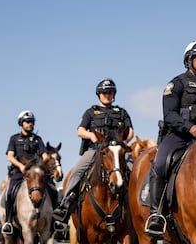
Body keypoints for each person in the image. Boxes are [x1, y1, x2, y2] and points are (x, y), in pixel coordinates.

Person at [144, 40, 196, 236]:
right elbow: (169, 114)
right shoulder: (176, 84)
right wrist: (190, 127)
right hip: (178, 136)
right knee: (160, 164)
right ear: (189, 60)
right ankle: (157, 214)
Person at [52, 78, 134, 223]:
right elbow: (80, 131)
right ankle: (65, 204)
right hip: (95, 150)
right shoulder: (90, 112)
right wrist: (91, 135)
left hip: (116, 150)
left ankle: (143, 207)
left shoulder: (121, 112)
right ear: (99, 94)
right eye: (104, 93)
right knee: (77, 171)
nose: (107, 95)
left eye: (110, 92)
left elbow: (131, 131)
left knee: (135, 169)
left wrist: (123, 143)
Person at [1, 110, 57, 235]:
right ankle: (9, 222)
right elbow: (10, 156)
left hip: (36, 174)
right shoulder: (14, 139)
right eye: (27, 122)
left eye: (31, 122)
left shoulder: (38, 139)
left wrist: (39, 165)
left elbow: (45, 156)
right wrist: (21, 165)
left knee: (52, 189)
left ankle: (54, 220)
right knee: (9, 193)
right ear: (21, 123)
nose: (30, 124)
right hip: (19, 172)